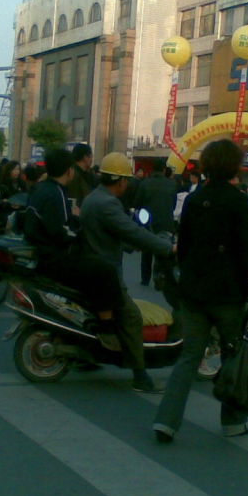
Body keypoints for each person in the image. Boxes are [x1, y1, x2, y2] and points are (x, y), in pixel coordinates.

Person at [153, 139, 248, 443]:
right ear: (234, 166)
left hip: (195, 290)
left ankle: (166, 421)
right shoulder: (238, 201)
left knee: (189, 356)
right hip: (228, 292)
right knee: (232, 355)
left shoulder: (194, 199)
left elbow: (184, 245)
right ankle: (233, 421)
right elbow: (246, 250)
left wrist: (189, 277)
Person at [80, 152, 174, 393]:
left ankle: (88, 355)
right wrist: (167, 248)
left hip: (93, 264)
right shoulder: (108, 204)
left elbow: (113, 233)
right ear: (121, 181)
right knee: (132, 317)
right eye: (127, 180)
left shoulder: (94, 198)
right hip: (105, 273)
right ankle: (140, 376)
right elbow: (133, 232)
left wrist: (129, 244)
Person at [23, 148, 123, 352]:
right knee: (106, 271)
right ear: (69, 170)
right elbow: (61, 231)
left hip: (41, 252)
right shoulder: (57, 192)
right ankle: (107, 329)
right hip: (56, 257)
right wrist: (77, 225)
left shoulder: (40, 189)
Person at [135, 165, 178, 287]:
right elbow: (174, 204)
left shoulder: (144, 183)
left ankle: (145, 278)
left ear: (152, 170)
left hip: (148, 221)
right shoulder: (171, 184)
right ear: (164, 170)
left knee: (147, 250)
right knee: (162, 250)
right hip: (166, 221)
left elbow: (138, 202)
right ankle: (159, 277)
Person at [66, 143, 97, 207]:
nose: (92, 160)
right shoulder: (73, 175)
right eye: (91, 156)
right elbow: (74, 200)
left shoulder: (87, 173)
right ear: (85, 157)